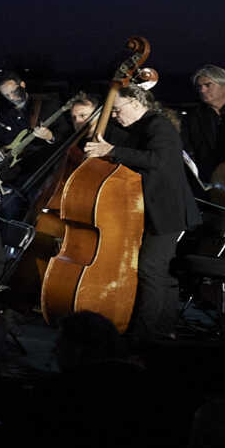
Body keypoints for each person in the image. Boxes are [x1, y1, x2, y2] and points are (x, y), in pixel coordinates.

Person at [84, 80, 188, 338]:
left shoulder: (158, 125)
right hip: (149, 208)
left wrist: (112, 150)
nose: (116, 116)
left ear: (136, 102)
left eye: (118, 109)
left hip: (166, 211)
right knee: (159, 273)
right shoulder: (138, 126)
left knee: (150, 270)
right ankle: (163, 327)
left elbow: (158, 161)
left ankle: (142, 336)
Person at [181, 65, 225, 182]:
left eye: (208, 85)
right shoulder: (192, 117)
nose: (202, 90)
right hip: (207, 179)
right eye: (199, 87)